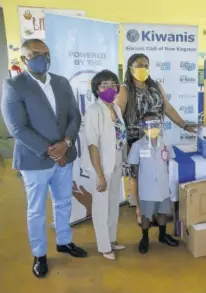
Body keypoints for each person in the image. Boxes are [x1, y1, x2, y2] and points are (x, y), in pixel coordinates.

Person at [1, 39, 87, 278]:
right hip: (35, 159)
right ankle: (39, 255)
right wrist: (52, 150)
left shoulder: (61, 82)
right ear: (24, 59)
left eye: (46, 54)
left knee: (63, 203)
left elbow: (74, 116)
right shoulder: (14, 86)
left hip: (64, 155)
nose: (43, 58)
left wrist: (66, 143)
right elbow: (17, 128)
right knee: (36, 210)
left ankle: (64, 241)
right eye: (36, 54)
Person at [114, 53, 195, 222]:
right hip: (135, 139)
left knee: (160, 172)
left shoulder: (156, 86)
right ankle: (140, 212)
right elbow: (118, 114)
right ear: (130, 68)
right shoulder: (124, 88)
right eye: (138, 65)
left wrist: (185, 125)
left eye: (145, 65)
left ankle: (160, 210)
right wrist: (118, 139)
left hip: (157, 138)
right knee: (137, 176)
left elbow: (167, 107)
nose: (142, 68)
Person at [82, 70, 126, 260]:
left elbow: (119, 137)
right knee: (101, 206)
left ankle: (112, 239)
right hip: (101, 165)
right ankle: (103, 246)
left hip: (116, 161)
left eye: (112, 84)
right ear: (96, 89)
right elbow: (92, 145)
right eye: (103, 85)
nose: (109, 88)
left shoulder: (115, 108)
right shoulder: (94, 111)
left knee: (113, 203)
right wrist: (99, 174)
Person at [127, 112, 179, 254]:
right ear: (143, 127)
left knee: (162, 213)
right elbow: (134, 172)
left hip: (163, 187)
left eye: (156, 124)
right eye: (149, 125)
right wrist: (136, 196)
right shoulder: (138, 146)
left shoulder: (165, 144)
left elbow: (171, 165)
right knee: (146, 216)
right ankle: (145, 238)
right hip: (146, 189)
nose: (153, 128)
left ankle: (162, 235)